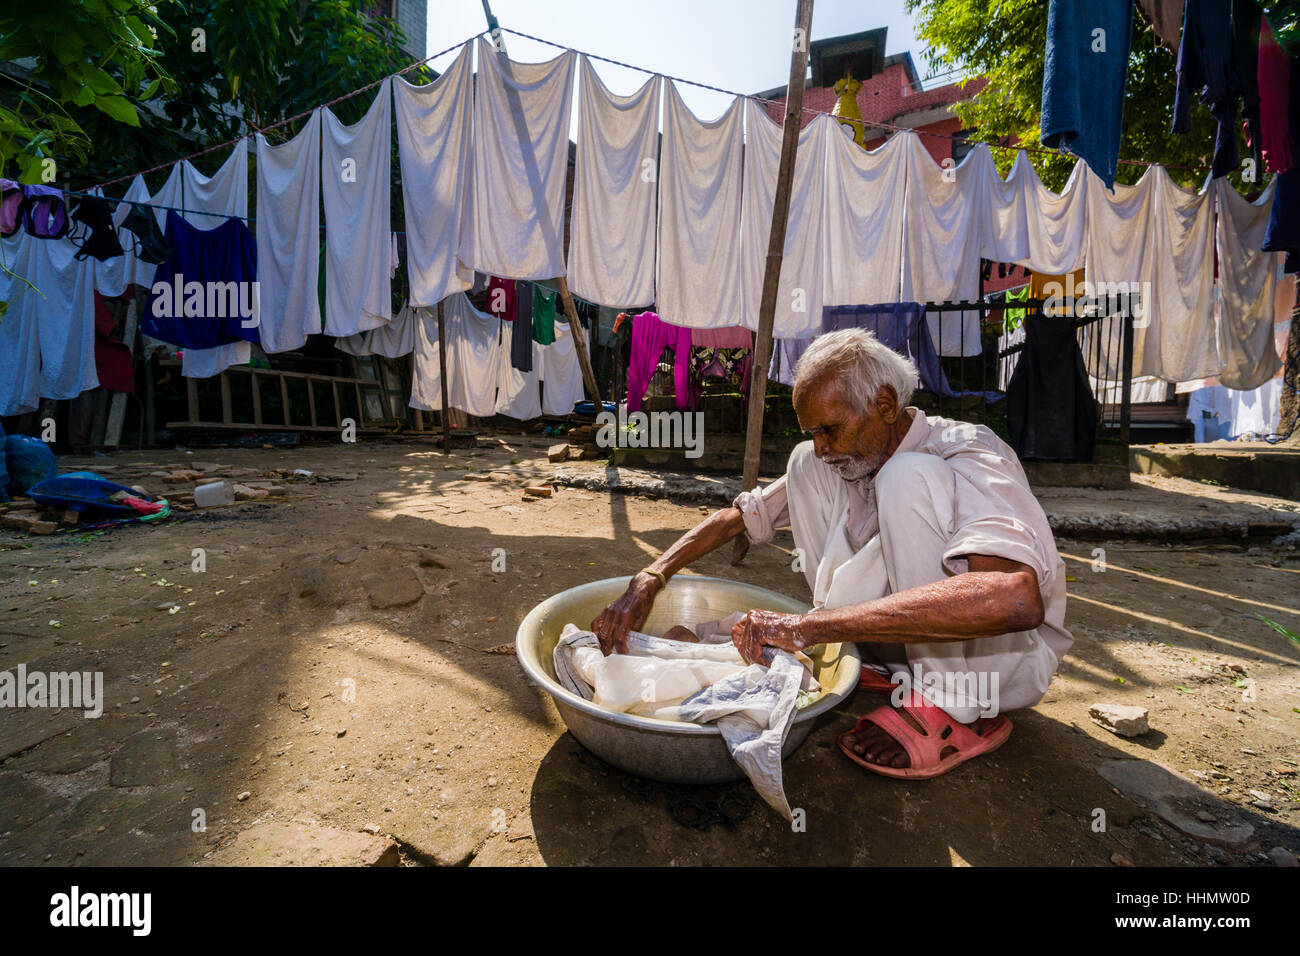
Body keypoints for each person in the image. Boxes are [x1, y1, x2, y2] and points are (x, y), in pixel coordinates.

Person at [591, 327, 1073, 779]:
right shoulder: (844, 455)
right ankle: (875, 664)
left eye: (830, 430)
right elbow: (741, 517)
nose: (823, 447)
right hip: (898, 651)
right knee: (802, 463)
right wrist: (650, 576)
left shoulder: (966, 452)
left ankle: (949, 707)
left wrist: (807, 628)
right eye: (814, 431)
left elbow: (1015, 599)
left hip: (1000, 666)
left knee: (905, 477)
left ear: (885, 404)